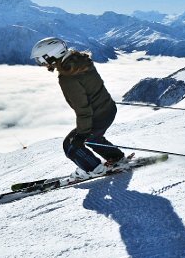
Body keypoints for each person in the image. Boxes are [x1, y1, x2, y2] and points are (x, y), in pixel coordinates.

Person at [31, 37, 127, 178]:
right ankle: (116, 158)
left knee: (71, 146)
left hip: (97, 115)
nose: (41, 64)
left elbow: (83, 110)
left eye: (41, 60)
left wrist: (82, 134)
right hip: (107, 109)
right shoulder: (79, 62)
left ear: (51, 56)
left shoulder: (68, 77)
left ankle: (94, 169)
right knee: (93, 138)